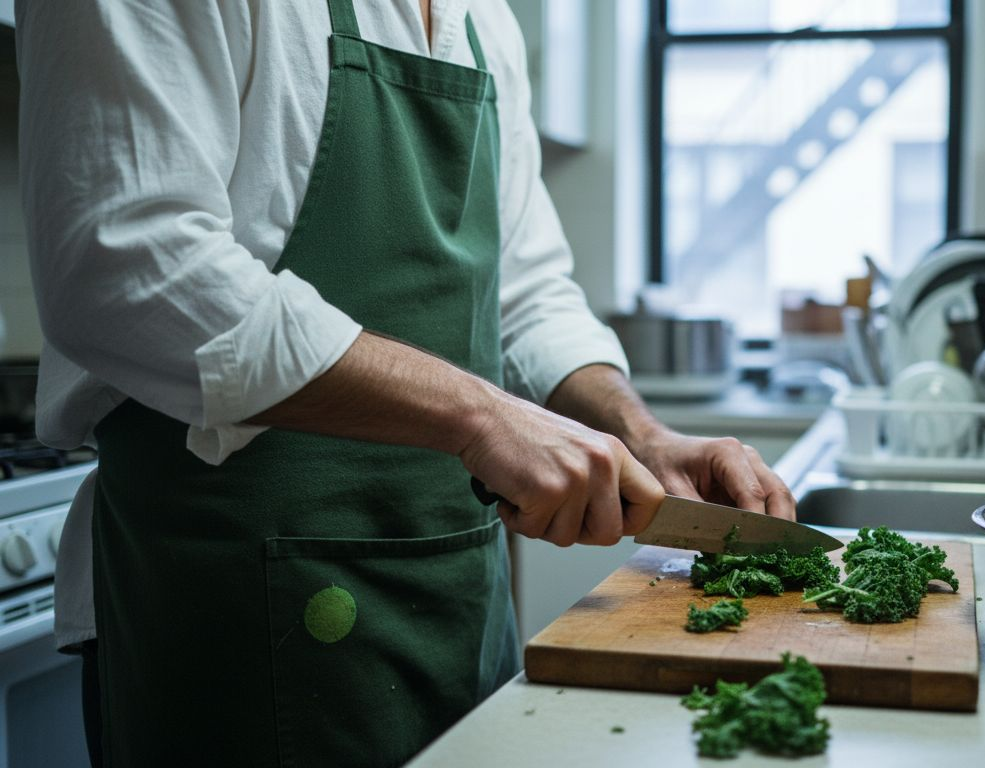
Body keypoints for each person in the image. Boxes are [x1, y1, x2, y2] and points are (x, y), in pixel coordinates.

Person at [16, 1, 795, 766]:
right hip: (236, 620)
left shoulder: (484, 20)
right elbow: (126, 265)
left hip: (457, 601)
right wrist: (479, 414)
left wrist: (641, 436)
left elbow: (526, 296)